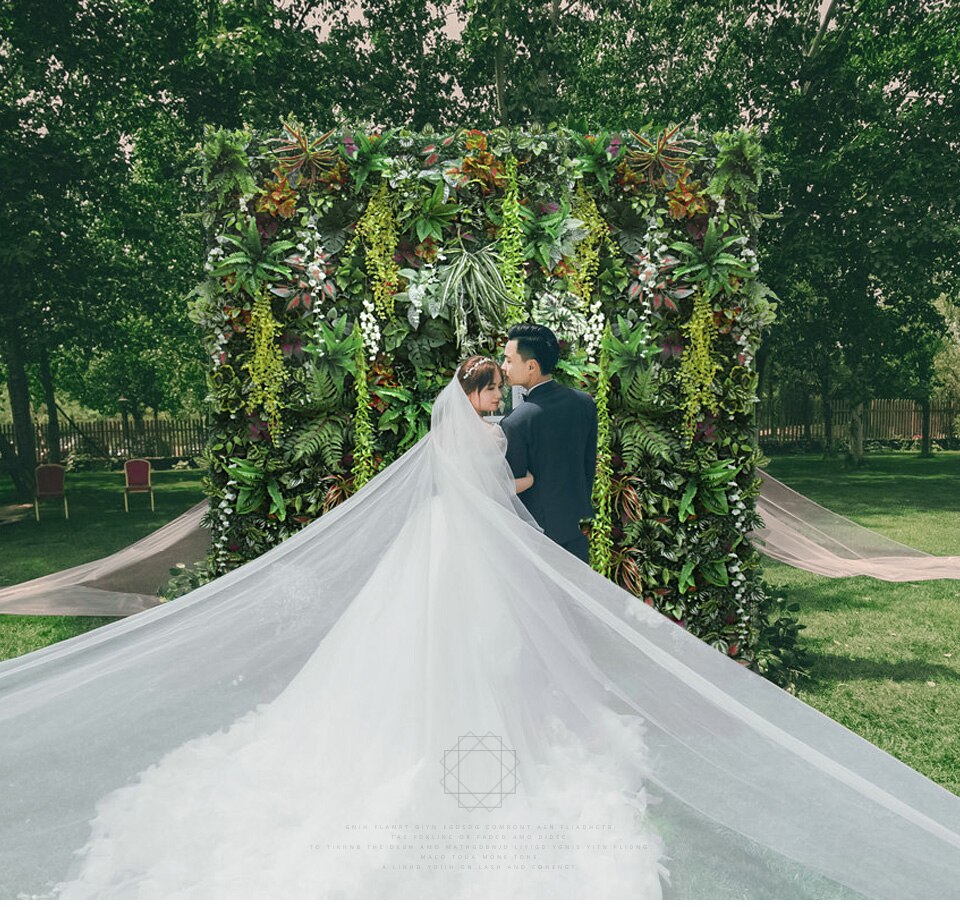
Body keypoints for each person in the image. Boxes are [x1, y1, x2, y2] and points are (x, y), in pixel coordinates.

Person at [1, 362, 960, 900]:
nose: (500, 399)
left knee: (420, 645)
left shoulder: (448, 445)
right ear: (481, 399)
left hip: (436, 552)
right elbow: (508, 495)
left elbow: (479, 491)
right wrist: (526, 486)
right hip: (478, 550)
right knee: (491, 645)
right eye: (493, 392)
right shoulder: (491, 435)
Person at [500, 324, 598, 562]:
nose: (503, 368)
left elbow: (513, 492)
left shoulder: (516, 422)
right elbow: (588, 466)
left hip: (537, 542)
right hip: (575, 533)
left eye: (509, 361)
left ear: (531, 366)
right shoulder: (584, 403)